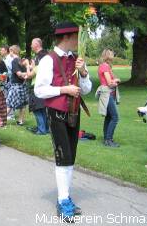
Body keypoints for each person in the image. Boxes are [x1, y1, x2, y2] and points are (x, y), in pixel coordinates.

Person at [34, 22, 92, 221]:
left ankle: (65, 196)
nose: (79, 41)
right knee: (62, 156)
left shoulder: (76, 59)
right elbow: (39, 90)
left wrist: (83, 72)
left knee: (71, 156)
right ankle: (62, 199)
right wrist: (63, 90)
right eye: (77, 37)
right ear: (67, 37)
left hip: (74, 112)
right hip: (57, 113)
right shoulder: (48, 60)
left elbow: (86, 89)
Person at [96, 49, 121, 147]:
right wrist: (117, 80)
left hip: (109, 94)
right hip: (108, 94)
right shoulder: (105, 66)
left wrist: (114, 80)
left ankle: (106, 138)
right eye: (111, 54)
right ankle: (109, 139)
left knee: (109, 117)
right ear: (108, 56)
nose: (113, 56)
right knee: (115, 117)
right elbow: (110, 83)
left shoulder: (106, 66)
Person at [28, 38, 49, 135]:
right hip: (46, 85)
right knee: (42, 108)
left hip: (37, 85)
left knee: (36, 108)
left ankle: (41, 129)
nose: (31, 46)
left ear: (36, 44)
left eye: (32, 44)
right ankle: (45, 128)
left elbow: (32, 74)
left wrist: (28, 67)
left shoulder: (39, 57)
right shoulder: (47, 54)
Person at [6, 45, 31, 126]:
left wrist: (23, 74)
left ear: (13, 51)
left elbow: (18, 74)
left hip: (16, 85)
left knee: (10, 103)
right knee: (23, 104)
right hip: (23, 85)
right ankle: (21, 121)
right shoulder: (22, 60)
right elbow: (26, 74)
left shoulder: (14, 61)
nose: (9, 53)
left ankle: (1, 120)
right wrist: (26, 73)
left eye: (10, 51)